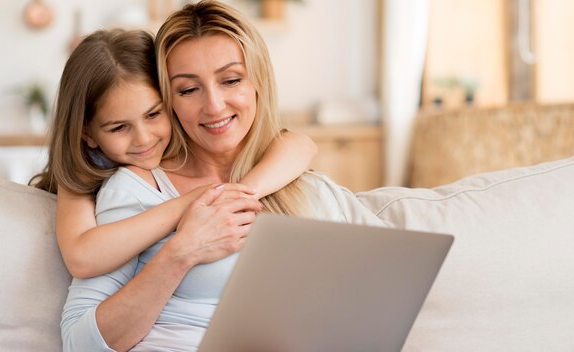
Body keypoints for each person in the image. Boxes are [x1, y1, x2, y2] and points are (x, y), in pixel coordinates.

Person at [61, 1, 383, 351]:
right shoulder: (137, 188)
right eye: (187, 89)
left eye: (231, 80)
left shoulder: (303, 184)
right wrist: (182, 251)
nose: (214, 106)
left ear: (259, 82)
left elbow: (390, 286)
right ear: (169, 99)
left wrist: (235, 195)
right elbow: (80, 342)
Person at [30, 29, 317, 279]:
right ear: (87, 134)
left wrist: (233, 194)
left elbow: (301, 145)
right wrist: (191, 202)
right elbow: (82, 257)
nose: (144, 139)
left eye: (154, 114)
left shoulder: (189, 140)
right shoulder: (86, 162)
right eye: (118, 127)